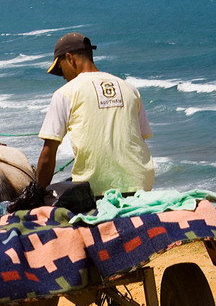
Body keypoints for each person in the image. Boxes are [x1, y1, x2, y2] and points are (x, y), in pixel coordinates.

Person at [36, 32, 155, 197]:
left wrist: (35, 196)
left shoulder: (65, 93)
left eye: (61, 68)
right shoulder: (129, 88)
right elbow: (140, 137)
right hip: (140, 185)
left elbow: (48, 155)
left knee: (52, 195)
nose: (62, 76)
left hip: (94, 190)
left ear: (70, 58)